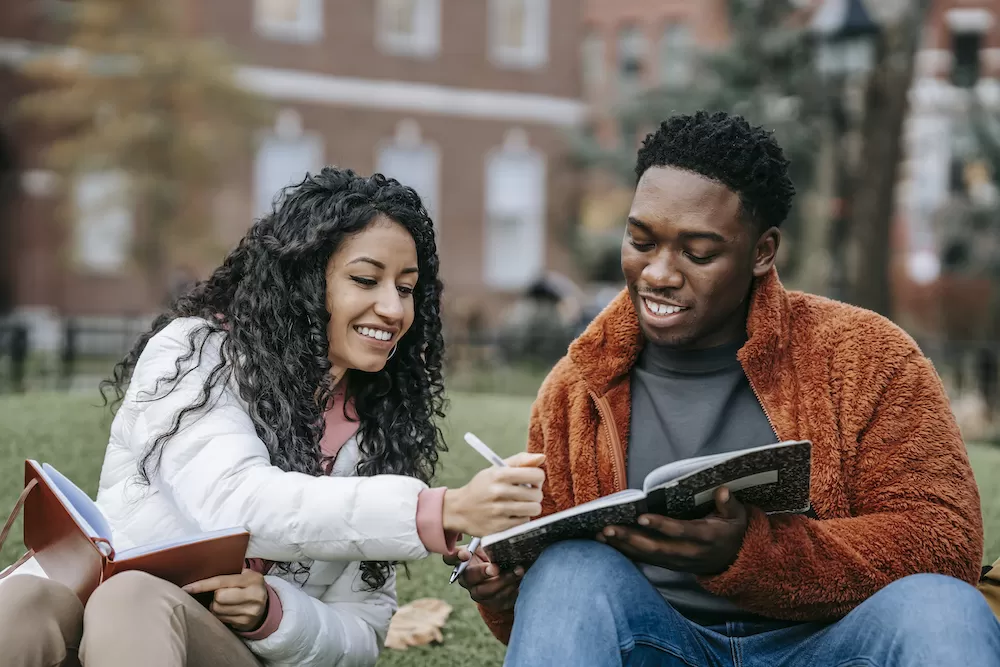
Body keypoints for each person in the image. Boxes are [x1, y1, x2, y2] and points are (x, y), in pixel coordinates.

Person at [447, 111, 1000, 665]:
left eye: (698, 253)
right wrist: (503, 587)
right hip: (662, 644)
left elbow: (943, 540)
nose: (658, 273)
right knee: (566, 571)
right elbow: (562, 619)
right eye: (640, 241)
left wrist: (754, 554)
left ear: (762, 252)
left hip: (829, 645)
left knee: (944, 608)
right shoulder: (577, 387)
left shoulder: (868, 358)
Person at [0, 167, 545, 667]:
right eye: (365, 280)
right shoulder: (197, 355)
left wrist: (274, 614)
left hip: (212, 646)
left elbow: (362, 630)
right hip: (96, 614)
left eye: (406, 287)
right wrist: (439, 511)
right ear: (304, 280)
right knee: (23, 600)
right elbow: (234, 502)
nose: (395, 308)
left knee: (133, 596)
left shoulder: (378, 426)